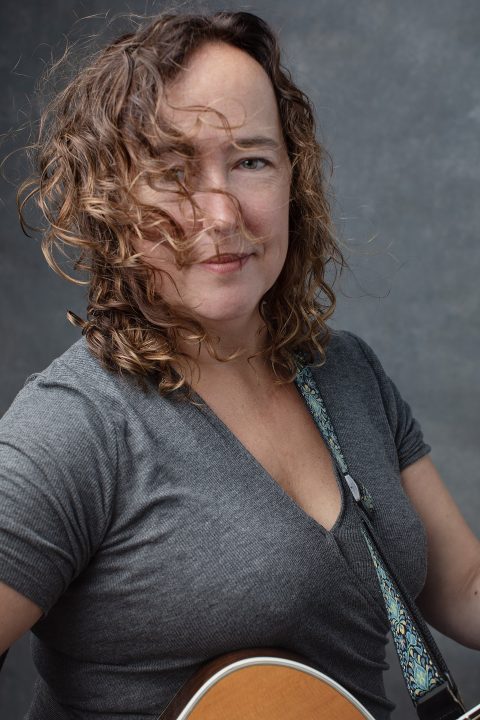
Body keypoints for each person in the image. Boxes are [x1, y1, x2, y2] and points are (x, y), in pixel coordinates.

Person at [0, 10, 478, 720]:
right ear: (113, 198)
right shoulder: (75, 426)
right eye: (171, 170)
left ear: (293, 178)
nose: (220, 213)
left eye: (251, 160)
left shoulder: (346, 372)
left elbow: (462, 585)